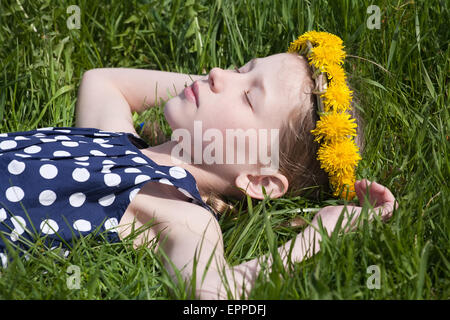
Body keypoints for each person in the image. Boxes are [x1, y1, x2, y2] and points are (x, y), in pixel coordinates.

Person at [0, 31, 397, 299]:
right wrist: (210, 93)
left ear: (258, 180)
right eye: (243, 68)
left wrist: (319, 234)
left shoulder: (181, 213)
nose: (217, 73)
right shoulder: (118, 137)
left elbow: (214, 294)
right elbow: (102, 81)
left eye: (249, 98)